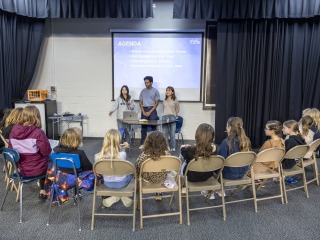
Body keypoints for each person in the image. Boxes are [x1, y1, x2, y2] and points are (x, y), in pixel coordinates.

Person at [8, 105, 52, 200]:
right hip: (37, 169)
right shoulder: (38, 132)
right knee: (51, 159)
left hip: (21, 170)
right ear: (37, 117)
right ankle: (44, 190)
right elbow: (46, 151)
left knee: (42, 160)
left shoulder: (13, 131)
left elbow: (11, 152)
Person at [45, 127, 94, 202]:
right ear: (77, 141)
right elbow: (88, 167)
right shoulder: (79, 154)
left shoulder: (55, 153)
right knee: (95, 173)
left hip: (59, 179)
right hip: (73, 180)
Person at [94, 129, 132, 208]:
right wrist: (124, 147)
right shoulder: (122, 154)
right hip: (122, 183)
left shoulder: (98, 157)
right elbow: (118, 154)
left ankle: (115, 196)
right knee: (131, 173)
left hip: (107, 183)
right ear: (118, 141)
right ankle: (121, 195)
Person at [179, 123, 218, 199]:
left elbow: (184, 156)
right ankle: (208, 191)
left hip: (191, 177)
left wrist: (184, 149)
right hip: (207, 176)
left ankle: (183, 185)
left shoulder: (190, 150)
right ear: (212, 137)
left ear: (197, 135)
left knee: (182, 160)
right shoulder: (215, 149)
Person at [139, 76, 160, 145]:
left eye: (147, 83)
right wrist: (144, 112)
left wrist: (150, 112)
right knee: (143, 129)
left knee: (154, 128)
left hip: (152, 110)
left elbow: (156, 103)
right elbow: (140, 103)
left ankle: (154, 144)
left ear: (151, 82)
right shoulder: (143, 91)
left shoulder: (155, 91)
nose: (146, 84)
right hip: (144, 110)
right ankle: (143, 144)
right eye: (145, 83)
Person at [162, 86, 179, 151]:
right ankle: (166, 147)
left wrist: (174, 115)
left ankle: (172, 147)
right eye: (167, 90)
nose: (167, 92)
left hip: (172, 117)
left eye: (169, 90)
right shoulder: (164, 100)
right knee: (165, 133)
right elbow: (163, 108)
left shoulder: (175, 100)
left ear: (172, 92)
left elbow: (177, 109)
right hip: (165, 117)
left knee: (172, 133)